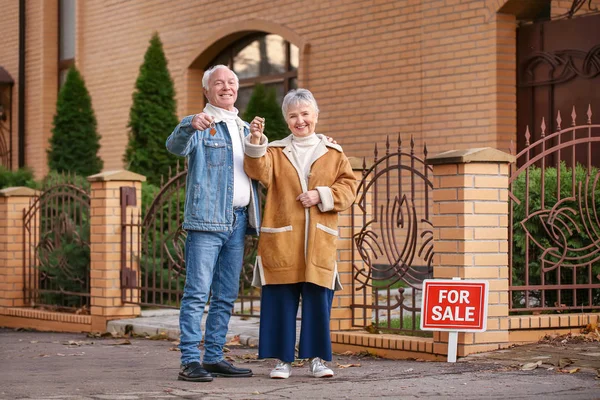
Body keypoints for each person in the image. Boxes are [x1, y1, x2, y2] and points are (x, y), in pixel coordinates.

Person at [243, 88, 358, 379]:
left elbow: (348, 188)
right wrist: (256, 141)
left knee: (318, 300)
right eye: (293, 115)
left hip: (319, 239)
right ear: (286, 119)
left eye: (305, 113)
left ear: (315, 116)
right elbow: (258, 170)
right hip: (282, 238)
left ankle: (317, 360)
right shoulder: (277, 152)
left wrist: (321, 195)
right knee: (281, 299)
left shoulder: (333, 153)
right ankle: (282, 361)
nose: (300, 120)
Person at [165, 65, 261, 382]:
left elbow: (262, 170)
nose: (226, 87)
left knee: (224, 295)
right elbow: (174, 147)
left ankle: (215, 356)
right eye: (218, 82)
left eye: (231, 82)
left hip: (238, 221)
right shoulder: (202, 124)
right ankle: (190, 360)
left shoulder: (246, 128)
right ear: (207, 90)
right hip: (207, 222)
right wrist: (189, 126)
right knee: (196, 294)